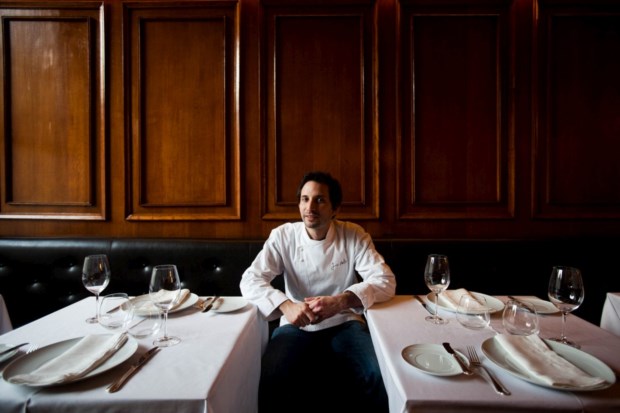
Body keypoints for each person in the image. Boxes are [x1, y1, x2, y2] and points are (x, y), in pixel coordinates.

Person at [240, 171, 396, 413]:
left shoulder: (353, 234)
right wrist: (286, 305)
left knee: (375, 373)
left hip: (345, 322)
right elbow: (250, 280)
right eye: (305, 199)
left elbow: (385, 281)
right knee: (271, 373)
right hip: (296, 325)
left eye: (320, 200)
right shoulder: (283, 236)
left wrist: (341, 301)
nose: (310, 207)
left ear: (335, 209)